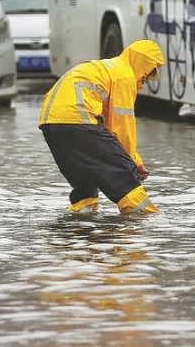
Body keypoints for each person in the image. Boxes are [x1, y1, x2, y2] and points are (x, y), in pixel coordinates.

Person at [39, 39, 165, 215]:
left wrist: (133, 160)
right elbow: (121, 128)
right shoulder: (124, 76)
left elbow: (105, 128)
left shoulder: (108, 67)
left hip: (50, 122)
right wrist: (130, 163)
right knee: (123, 173)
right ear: (142, 66)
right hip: (77, 118)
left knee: (84, 178)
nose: (142, 84)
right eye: (144, 77)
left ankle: (80, 224)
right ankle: (143, 218)